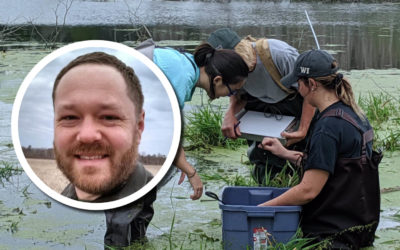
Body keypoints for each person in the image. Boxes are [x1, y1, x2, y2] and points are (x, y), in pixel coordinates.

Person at [258, 49, 381, 249]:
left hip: (331, 238)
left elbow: (308, 190)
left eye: (299, 83)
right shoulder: (355, 115)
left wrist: (261, 209)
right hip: (360, 231)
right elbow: (332, 167)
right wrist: (284, 153)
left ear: (312, 84)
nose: (298, 89)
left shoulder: (328, 127)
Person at [52, 51, 156, 246]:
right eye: (70, 117)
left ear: (139, 125)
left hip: (135, 185)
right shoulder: (71, 193)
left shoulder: (138, 182)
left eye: (109, 117)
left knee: (125, 230)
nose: (88, 135)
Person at [137, 41, 249, 199]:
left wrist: (180, 160)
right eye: (232, 91)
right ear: (217, 80)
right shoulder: (181, 79)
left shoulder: (186, 64)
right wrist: (191, 172)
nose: (229, 96)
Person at [207, 28, 315, 184]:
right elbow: (238, 96)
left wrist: (303, 130)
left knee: (303, 157)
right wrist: (230, 115)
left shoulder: (279, 55)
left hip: (295, 105)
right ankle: (267, 190)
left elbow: (311, 93)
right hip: (260, 111)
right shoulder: (228, 73)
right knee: (262, 159)